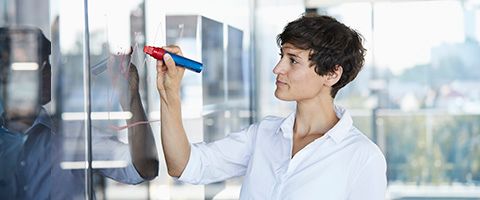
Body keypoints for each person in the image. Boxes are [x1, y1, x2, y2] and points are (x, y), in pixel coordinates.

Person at [156, 13, 387, 199]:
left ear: (331, 74)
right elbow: (184, 165)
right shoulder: (263, 135)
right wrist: (170, 93)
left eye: (293, 60)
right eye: (281, 56)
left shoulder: (362, 157)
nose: (278, 68)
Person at [0, 26, 158, 200]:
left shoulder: (72, 135)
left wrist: (130, 95)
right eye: (39, 65)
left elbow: (145, 168)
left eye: (47, 64)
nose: (48, 73)